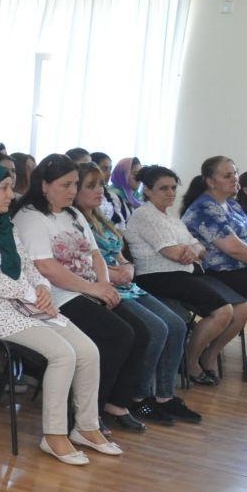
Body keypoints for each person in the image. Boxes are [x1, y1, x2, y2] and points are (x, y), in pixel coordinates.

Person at [0, 162, 118, 464]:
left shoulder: (4, 226)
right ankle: (54, 435)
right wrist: (29, 293)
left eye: (11, 187)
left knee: (88, 350)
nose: (11, 195)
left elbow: (29, 267)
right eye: (4, 188)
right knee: (63, 354)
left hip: (24, 304)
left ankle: (86, 427)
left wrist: (42, 289)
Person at [12, 154, 146, 430]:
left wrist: (104, 284)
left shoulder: (73, 214)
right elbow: (46, 267)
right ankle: (87, 415)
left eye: (75, 184)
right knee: (117, 335)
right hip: (55, 296)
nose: (73, 191)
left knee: (141, 333)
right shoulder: (31, 217)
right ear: (44, 185)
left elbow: (95, 254)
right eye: (66, 185)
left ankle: (115, 404)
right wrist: (93, 289)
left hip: (88, 290)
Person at [74, 163, 199, 425]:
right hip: (102, 287)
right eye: (92, 186)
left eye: (100, 185)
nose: (101, 190)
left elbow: (119, 252)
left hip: (125, 283)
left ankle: (164, 396)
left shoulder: (100, 218)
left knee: (176, 324)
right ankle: (139, 398)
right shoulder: (74, 220)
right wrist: (113, 273)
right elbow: (80, 262)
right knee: (156, 328)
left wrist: (127, 267)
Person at [126, 164, 247, 384]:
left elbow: (200, 248)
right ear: (147, 190)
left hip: (184, 273)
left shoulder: (171, 218)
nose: (171, 193)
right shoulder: (144, 214)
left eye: (173, 188)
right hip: (156, 277)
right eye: (164, 188)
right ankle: (190, 364)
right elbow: (173, 253)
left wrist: (191, 250)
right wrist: (191, 250)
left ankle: (205, 355)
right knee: (222, 311)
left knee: (241, 308)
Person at [182, 155, 247, 383]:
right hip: (222, 271)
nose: (235, 179)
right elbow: (232, 247)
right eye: (227, 175)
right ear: (211, 181)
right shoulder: (204, 208)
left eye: (235, 173)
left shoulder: (231, 204)